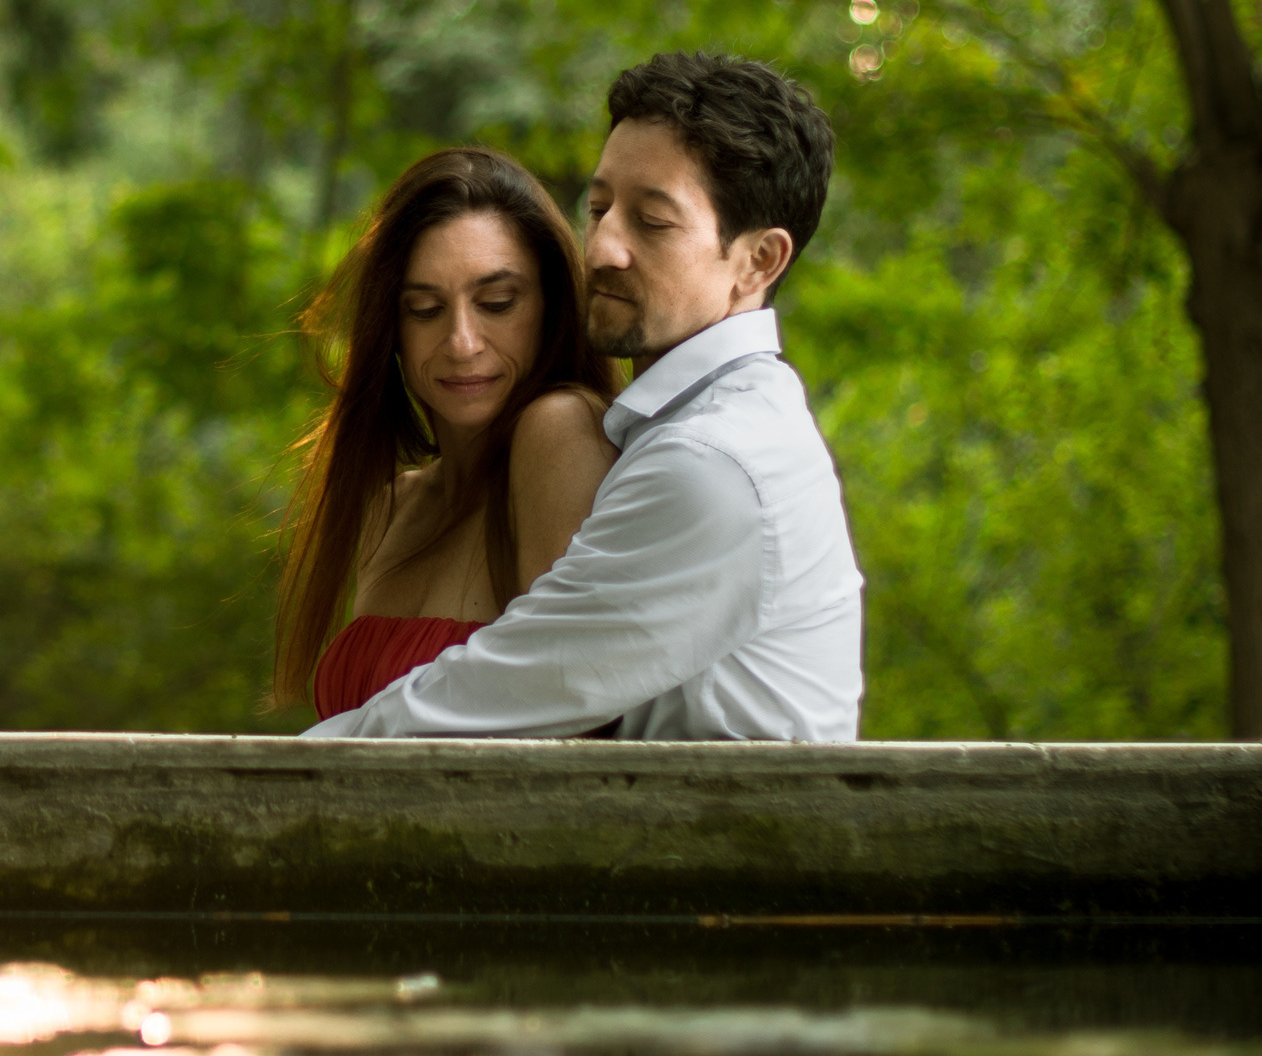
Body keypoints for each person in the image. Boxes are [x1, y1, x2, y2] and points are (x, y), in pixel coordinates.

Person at [305, 52, 862, 742]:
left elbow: (527, 681)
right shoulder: (684, 431)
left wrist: (283, 775)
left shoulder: (712, 462)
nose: (601, 249)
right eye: (598, 209)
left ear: (759, 261)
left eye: (651, 222)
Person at [273, 148, 622, 723]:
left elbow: (569, 714)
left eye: (497, 303)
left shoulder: (561, 429)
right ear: (392, 329)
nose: (462, 342)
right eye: (424, 309)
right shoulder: (394, 505)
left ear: (552, 307)